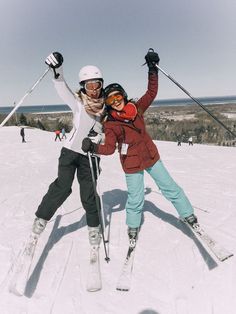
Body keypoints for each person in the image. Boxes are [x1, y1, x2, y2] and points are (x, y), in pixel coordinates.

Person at [82, 49, 198, 245]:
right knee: (135, 198)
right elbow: (109, 149)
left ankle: (187, 215)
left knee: (170, 188)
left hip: (151, 157)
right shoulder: (111, 124)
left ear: (124, 96)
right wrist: (93, 148)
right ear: (108, 104)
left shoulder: (137, 109)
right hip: (132, 164)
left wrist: (152, 69)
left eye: (118, 97)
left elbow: (151, 92)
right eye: (111, 100)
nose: (116, 102)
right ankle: (133, 225)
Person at [31, 52, 105, 250]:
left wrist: (98, 139)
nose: (94, 89)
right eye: (89, 85)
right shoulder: (79, 103)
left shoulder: (107, 108)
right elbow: (62, 87)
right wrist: (58, 68)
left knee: (88, 194)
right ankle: (41, 218)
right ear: (83, 86)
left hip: (90, 156)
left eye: (97, 84)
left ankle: (94, 227)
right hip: (70, 152)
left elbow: (111, 132)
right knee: (62, 187)